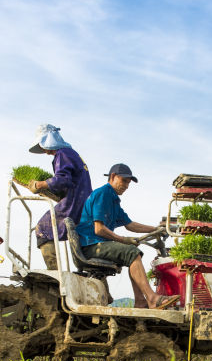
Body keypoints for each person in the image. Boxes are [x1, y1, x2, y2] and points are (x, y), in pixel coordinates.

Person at [75, 164, 180, 309]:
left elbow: (130, 224)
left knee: (131, 252)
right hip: (91, 245)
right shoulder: (103, 194)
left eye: (128, 183)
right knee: (131, 252)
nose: (126, 186)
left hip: (99, 244)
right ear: (112, 177)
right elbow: (99, 229)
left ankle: (141, 301)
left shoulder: (113, 200)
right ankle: (152, 298)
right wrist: (123, 239)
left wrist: (157, 229)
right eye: (124, 181)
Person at [27, 124, 92, 269]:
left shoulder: (62, 153)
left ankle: (56, 274)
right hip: (84, 203)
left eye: (43, 145)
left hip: (75, 202)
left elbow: (64, 179)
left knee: (42, 229)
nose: (44, 150)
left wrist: (40, 185)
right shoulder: (71, 153)